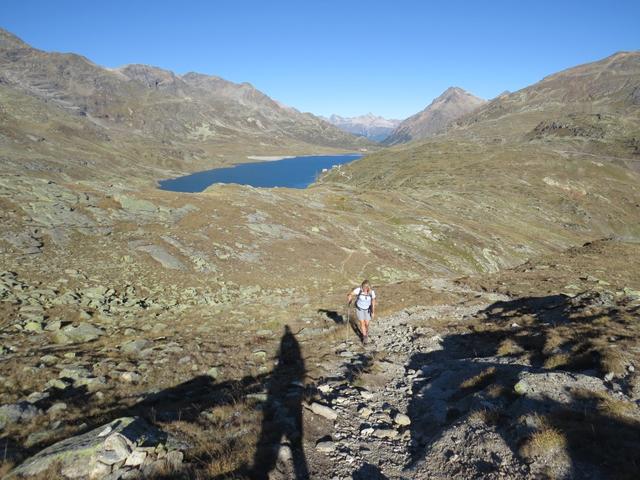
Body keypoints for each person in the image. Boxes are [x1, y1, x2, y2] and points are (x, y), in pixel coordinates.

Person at [347, 280, 376, 344]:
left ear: (369, 287)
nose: (364, 289)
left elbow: (373, 302)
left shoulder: (372, 292)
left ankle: (366, 332)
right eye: (363, 287)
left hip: (368, 309)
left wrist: (373, 312)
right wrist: (349, 297)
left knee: (367, 323)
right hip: (359, 309)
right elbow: (350, 294)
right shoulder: (359, 290)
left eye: (366, 288)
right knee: (362, 323)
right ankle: (365, 337)